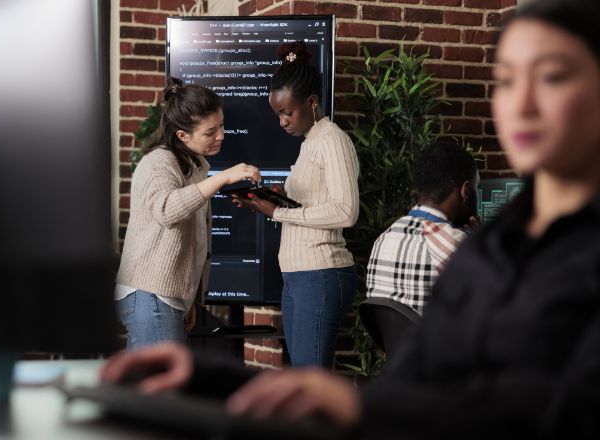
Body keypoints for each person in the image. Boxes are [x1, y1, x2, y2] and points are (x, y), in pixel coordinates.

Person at [102, 0, 600, 437]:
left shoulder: (563, 257)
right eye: (507, 80)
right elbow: (422, 394)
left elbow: (526, 407)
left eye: (552, 75)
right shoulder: (487, 251)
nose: (522, 104)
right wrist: (214, 380)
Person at [232, 41, 360, 368]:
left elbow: (346, 211)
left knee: (310, 382)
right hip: (298, 275)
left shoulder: (332, 139)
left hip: (320, 273)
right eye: (278, 115)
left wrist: (279, 211)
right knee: (302, 379)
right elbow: (315, 203)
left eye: (287, 112)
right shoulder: (310, 144)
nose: (282, 122)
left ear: (312, 102)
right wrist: (275, 197)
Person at [115, 78, 262, 349]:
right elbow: (167, 210)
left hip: (164, 296)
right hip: (149, 294)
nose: (221, 135)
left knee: (151, 386)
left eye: (221, 126)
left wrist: (190, 298)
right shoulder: (158, 162)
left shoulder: (194, 165)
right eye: (210, 132)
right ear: (183, 135)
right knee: (161, 387)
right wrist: (223, 178)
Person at [366, 142, 479, 316]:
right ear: (465, 191)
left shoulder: (383, 239)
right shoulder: (458, 245)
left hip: (396, 344)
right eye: (476, 188)